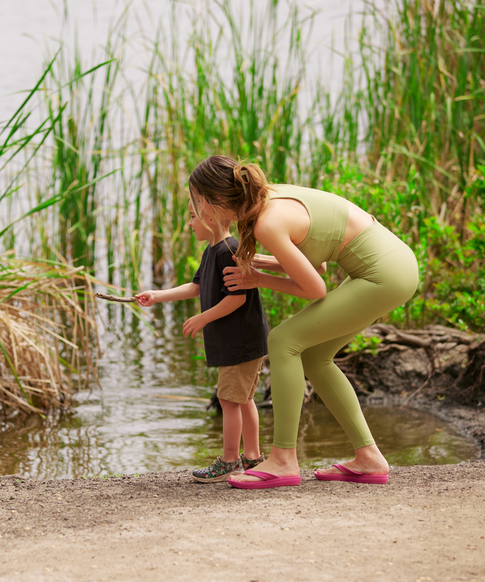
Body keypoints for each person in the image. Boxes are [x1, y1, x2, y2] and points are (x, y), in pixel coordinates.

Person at [186, 155, 419, 489]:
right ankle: (368, 457)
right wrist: (262, 263)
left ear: (217, 200)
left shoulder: (266, 221)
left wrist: (258, 279)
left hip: (383, 274)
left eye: (198, 203)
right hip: (394, 266)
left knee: (282, 340)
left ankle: (282, 459)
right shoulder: (268, 198)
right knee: (314, 356)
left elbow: (315, 288)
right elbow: (318, 266)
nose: (199, 212)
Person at [136, 200, 269, 483]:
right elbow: (196, 286)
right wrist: (157, 295)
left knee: (229, 399)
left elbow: (238, 297)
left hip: (241, 339)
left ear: (211, 217)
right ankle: (253, 458)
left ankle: (231, 460)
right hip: (237, 340)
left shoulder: (229, 250)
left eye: (193, 216)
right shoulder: (212, 251)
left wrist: (203, 318)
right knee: (242, 398)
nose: (190, 223)